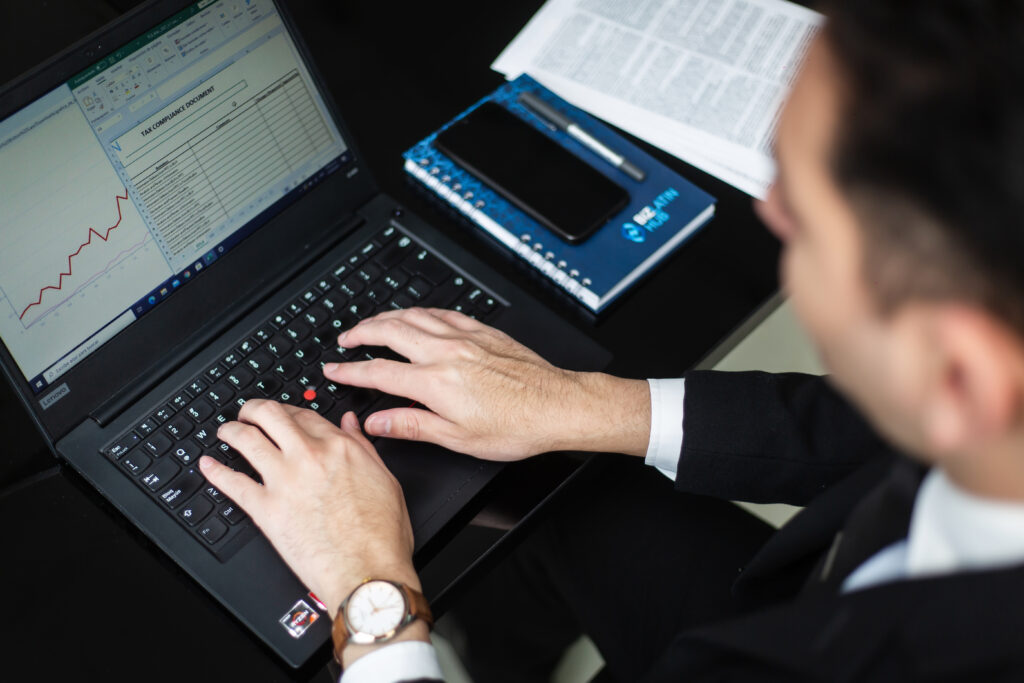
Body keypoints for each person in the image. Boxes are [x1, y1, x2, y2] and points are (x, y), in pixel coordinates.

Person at [198, 1, 1024, 680]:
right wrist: (583, 404)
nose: (766, 212)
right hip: (814, 587)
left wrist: (373, 598)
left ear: (957, 376)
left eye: (802, 218)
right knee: (563, 487)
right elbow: (852, 433)